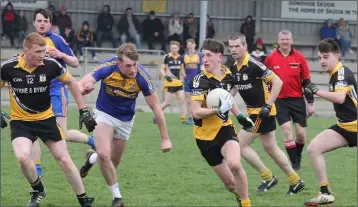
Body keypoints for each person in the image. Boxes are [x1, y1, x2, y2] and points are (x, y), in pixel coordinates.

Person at [0, 32, 96, 207]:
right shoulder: (8, 68)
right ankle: (38, 189)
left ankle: (84, 200)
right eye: (37, 52)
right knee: (22, 158)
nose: (42, 56)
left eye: (44, 51)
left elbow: (72, 83)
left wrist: (83, 110)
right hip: (21, 122)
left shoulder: (51, 65)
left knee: (64, 159)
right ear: (25, 51)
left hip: (46, 120)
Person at [77, 43, 172, 207]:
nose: (133, 69)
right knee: (105, 155)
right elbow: (82, 81)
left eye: (135, 64)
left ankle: (90, 159)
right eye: (128, 65)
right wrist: (84, 87)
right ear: (118, 63)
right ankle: (117, 198)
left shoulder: (142, 76)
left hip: (125, 121)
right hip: (104, 114)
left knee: (112, 163)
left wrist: (165, 138)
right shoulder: (108, 66)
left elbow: (156, 106)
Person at [228, 33, 305, 194]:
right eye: (231, 46)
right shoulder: (234, 66)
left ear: (245, 46)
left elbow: (278, 81)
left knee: (239, 144)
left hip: (262, 112)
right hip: (254, 112)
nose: (233, 49)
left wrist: (268, 106)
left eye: (237, 46)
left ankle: (268, 177)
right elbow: (234, 88)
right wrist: (223, 101)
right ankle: (295, 180)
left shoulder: (254, 64)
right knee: (271, 148)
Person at [31, 8, 95, 177]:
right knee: (33, 131)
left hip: (56, 91)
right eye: (39, 20)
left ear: (50, 24)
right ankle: (37, 171)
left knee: (62, 134)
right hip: (36, 91)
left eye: (45, 21)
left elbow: (74, 62)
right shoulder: (30, 41)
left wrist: (60, 54)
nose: (42, 24)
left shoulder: (57, 40)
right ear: (34, 23)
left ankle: (92, 142)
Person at [191, 38, 255, 207]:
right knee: (231, 184)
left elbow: (227, 99)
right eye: (203, 55)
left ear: (219, 58)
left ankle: (246, 203)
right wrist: (216, 110)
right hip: (204, 138)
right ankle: (240, 198)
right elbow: (195, 112)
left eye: (209, 55)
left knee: (234, 163)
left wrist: (239, 115)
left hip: (225, 129)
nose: (204, 59)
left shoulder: (228, 75)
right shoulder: (199, 80)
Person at [303, 38, 357, 206]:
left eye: (326, 57)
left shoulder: (341, 73)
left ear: (336, 55)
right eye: (320, 57)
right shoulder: (334, 74)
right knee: (314, 148)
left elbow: (340, 98)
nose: (322, 61)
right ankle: (324, 193)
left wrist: (316, 90)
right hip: (344, 127)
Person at [264, 30, 315, 170]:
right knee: (286, 130)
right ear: (278, 41)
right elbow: (264, 81)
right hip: (279, 101)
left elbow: (307, 82)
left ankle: (297, 155)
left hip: (297, 99)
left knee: (300, 135)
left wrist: (310, 103)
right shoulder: (270, 58)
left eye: (287, 39)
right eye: (282, 39)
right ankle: (295, 163)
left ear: (292, 41)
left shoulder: (300, 58)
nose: (285, 42)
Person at [153, 41, 187, 124]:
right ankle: (156, 115)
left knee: (182, 100)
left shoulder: (181, 57)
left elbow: (182, 69)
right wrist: (166, 76)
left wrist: (184, 75)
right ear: (170, 48)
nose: (173, 49)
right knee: (167, 103)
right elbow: (162, 69)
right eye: (172, 48)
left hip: (179, 83)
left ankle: (183, 119)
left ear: (178, 48)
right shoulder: (167, 57)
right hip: (169, 83)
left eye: (175, 48)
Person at [180, 39, 203, 125]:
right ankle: (190, 118)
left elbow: (201, 67)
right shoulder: (184, 56)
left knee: (197, 100)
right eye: (188, 45)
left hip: (196, 81)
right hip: (187, 80)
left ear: (194, 45)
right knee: (189, 100)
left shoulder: (199, 56)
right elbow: (182, 67)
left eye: (191, 44)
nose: (190, 46)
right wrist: (183, 74)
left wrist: (201, 77)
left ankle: (197, 116)